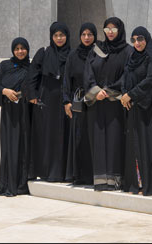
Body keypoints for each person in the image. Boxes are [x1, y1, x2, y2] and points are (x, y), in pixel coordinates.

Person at [84, 17, 134, 191]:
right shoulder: (97, 50)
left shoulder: (128, 51)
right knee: (98, 141)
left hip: (115, 105)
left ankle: (115, 180)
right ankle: (100, 181)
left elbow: (127, 75)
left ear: (120, 30)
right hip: (97, 103)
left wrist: (110, 91)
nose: (110, 32)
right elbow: (88, 73)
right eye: (107, 29)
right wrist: (96, 91)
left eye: (114, 29)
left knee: (115, 141)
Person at [27, 22, 71, 182]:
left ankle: (62, 172)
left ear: (67, 36)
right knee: (46, 135)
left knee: (63, 135)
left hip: (64, 100)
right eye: (56, 35)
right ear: (52, 36)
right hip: (46, 101)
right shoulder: (44, 53)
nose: (59, 38)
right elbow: (32, 74)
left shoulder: (71, 54)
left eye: (62, 35)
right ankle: (45, 171)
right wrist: (32, 94)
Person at [121, 26, 152, 195]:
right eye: (134, 40)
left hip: (146, 107)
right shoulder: (132, 58)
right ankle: (135, 183)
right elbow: (125, 76)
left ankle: (147, 184)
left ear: (147, 39)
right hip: (133, 108)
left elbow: (150, 80)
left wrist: (131, 94)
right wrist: (124, 94)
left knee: (146, 146)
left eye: (140, 39)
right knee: (134, 146)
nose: (137, 43)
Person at [0, 37, 32, 196]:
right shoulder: (4, 66)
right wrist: (4, 91)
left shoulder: (31, 67)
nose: (20, 51)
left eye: (23, 48)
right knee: (8, 146)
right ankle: (5, 182)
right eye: (17, 49)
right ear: (13, 50)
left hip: (24, 113)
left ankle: (20, 184)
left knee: (22, 145)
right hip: (8, 114)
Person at [63, 22, 97, 185]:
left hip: (95, 101)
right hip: (77, 102)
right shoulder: (73, 55)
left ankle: (93, 174)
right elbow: (66, 80)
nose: (86, 37)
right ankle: (79, 174)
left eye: (90, 34)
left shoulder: (99, 53)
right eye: (83, 34)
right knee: (78, 137)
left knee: (92, 137)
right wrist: (66, 101)